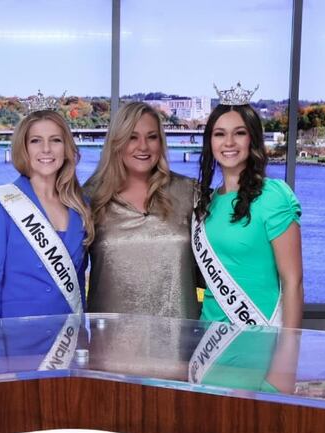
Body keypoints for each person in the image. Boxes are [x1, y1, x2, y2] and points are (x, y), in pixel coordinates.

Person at [193, 83, 304, 329]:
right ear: (210, 141)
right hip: (208, 344)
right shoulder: (206, 202)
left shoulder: (273, 196)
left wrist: (287, 357)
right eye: (220, 134)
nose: (229, 142)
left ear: (252, 138)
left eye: (239, 133)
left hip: (258, 343)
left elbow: (293, 283)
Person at [0, 108, 93, 320]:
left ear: (66, 147)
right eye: (36, 141)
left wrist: (82, 343)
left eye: (55, 140)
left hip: (68, 341)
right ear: (24, 148)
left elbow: (77, 286)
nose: (46, 149)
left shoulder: (81, 206)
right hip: (17, 341)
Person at [85, 101, 199, 319]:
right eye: (132, 137)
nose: (143, 146)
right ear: (116, 142)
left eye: (152, 137)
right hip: (111, 343)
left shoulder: (190, 193)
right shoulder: (90, 198)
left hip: (180, 341)